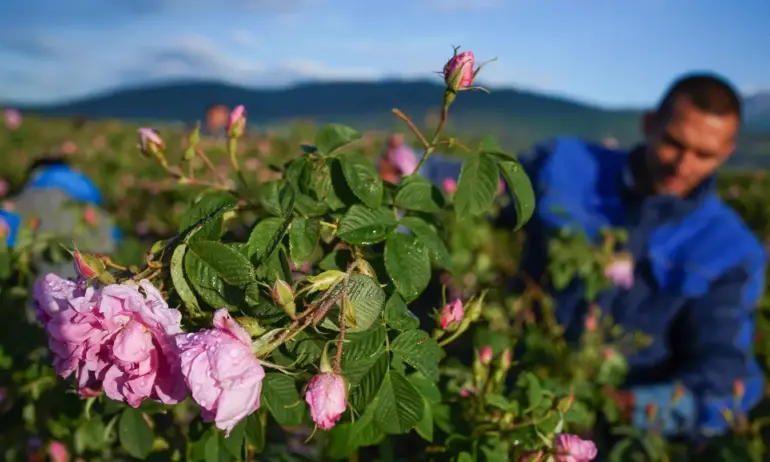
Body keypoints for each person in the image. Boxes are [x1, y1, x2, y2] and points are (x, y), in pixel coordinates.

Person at [498, 73, 765, 444]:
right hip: (507, 389)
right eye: (674, 143)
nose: (683, 165)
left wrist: (618, 408)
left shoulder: (729, 249)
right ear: (649, 124)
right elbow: (474, 194)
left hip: (605, 433)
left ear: (726, 154)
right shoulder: (564, 167)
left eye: (704, 155)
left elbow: (724, 380)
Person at [0, 156, 121, 278]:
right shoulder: (88, 197)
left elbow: (5, 226)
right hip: (99, 282)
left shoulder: (27, 198)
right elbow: (116, 236)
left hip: (46, 282)